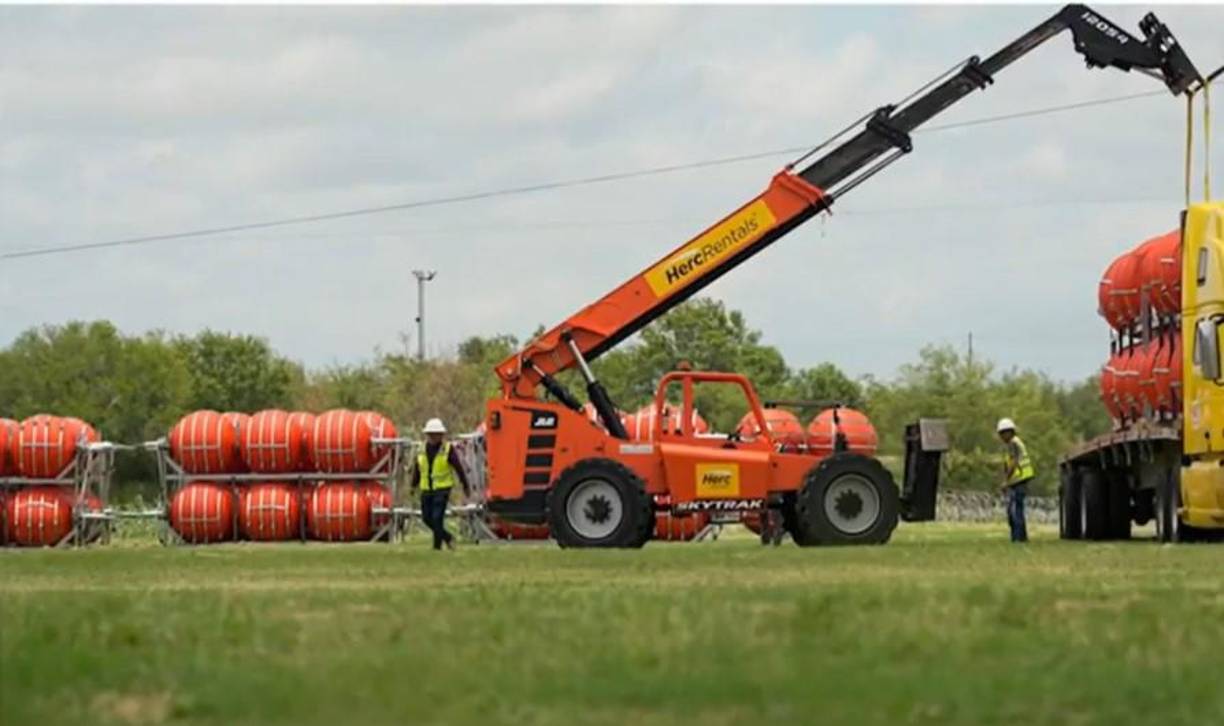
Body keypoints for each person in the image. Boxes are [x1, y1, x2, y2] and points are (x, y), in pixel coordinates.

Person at [411, 418, 471, 550]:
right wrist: (413, 485)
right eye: (430, 434)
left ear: (441, 435)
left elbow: (458, 468)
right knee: (427, 518)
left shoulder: (448, 449)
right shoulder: (421, 449)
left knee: (437, 518)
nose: (433, 437)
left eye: (436, 434)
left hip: (442, 489)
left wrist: (465, 485)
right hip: (426, 488)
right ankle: (448, 537)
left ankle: (437, 547)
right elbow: (418, 469)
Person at [996, 417, 1035, 543]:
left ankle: (1018, 538)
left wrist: (1006, 481)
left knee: (1014, 510)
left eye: (1002, 433)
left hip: (1019, 480)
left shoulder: (1013, 443)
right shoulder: (1016, 442)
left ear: (1009, 432)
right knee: (1017, 509)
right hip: (1020, 480)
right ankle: (1020, 537)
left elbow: (1013, 463)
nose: (1001, 437)